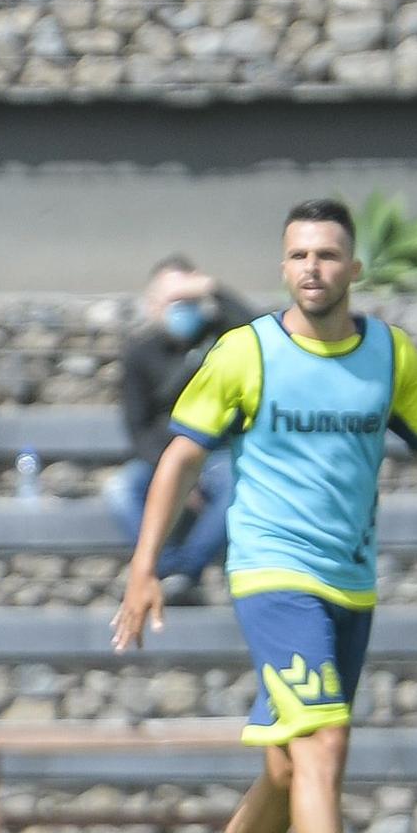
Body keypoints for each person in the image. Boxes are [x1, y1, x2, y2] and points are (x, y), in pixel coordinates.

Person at [112, 198, 417, 833]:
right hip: (272, 574)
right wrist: (147, 564)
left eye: (326, 255)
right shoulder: (246, 353)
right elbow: (180, 459)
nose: (312, 269)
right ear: (283, 268)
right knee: (322, 745)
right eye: (298, 256)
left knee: (293, 769)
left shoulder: (390, 355)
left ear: (353, 269)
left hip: (350, 582)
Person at [103, 257, 254, 605]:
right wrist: (176, 476)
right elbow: (138, 428)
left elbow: (260, 332)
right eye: (172, 299)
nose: (180, 308)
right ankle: (168, 569)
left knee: (242, 485)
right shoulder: (140, 353)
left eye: (187, 298)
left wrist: (210, 287)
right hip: (163, 458)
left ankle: (187, 571)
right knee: (120, 489)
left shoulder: (221, 338)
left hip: (217, 454)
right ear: (153, 304)